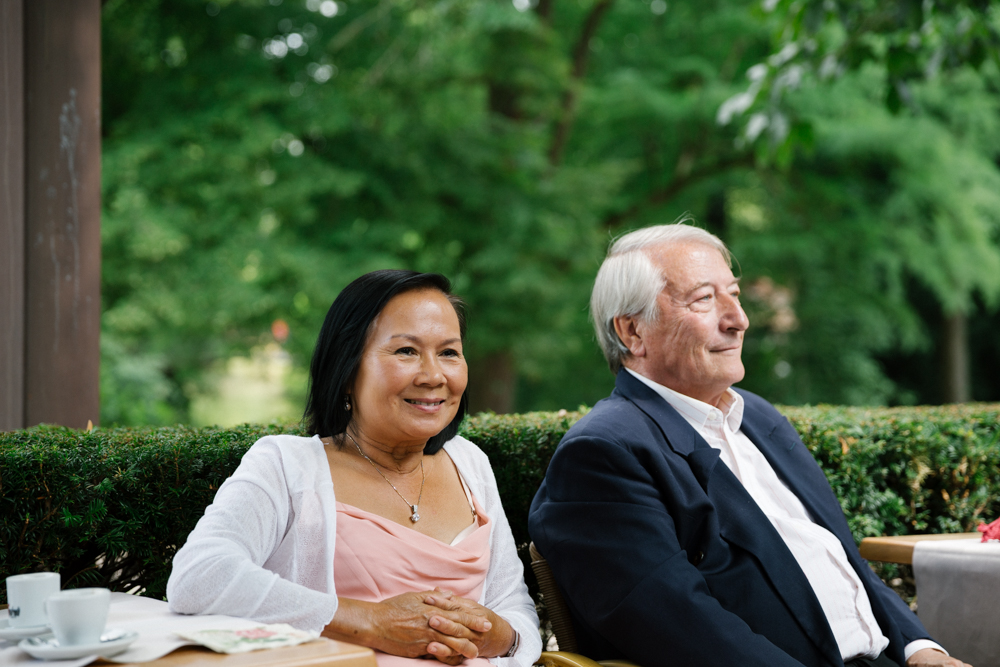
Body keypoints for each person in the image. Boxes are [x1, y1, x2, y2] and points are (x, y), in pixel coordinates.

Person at [528, 223, 971, 667]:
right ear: (632, 332)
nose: (738, 320)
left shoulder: (757, 417)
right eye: (704, 299)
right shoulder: (603, 453)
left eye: (734, 295)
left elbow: (842, 559)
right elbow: (686, 630)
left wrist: (921, 649)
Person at [168, 270, 541, 667]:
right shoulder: (286, 466)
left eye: (449, 352)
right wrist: (369, 621)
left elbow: (513, 606)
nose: (434, 376)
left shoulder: (470, 463)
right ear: (347, 370)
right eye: (406, 352)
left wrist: (493, 633)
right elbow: (199, 577)